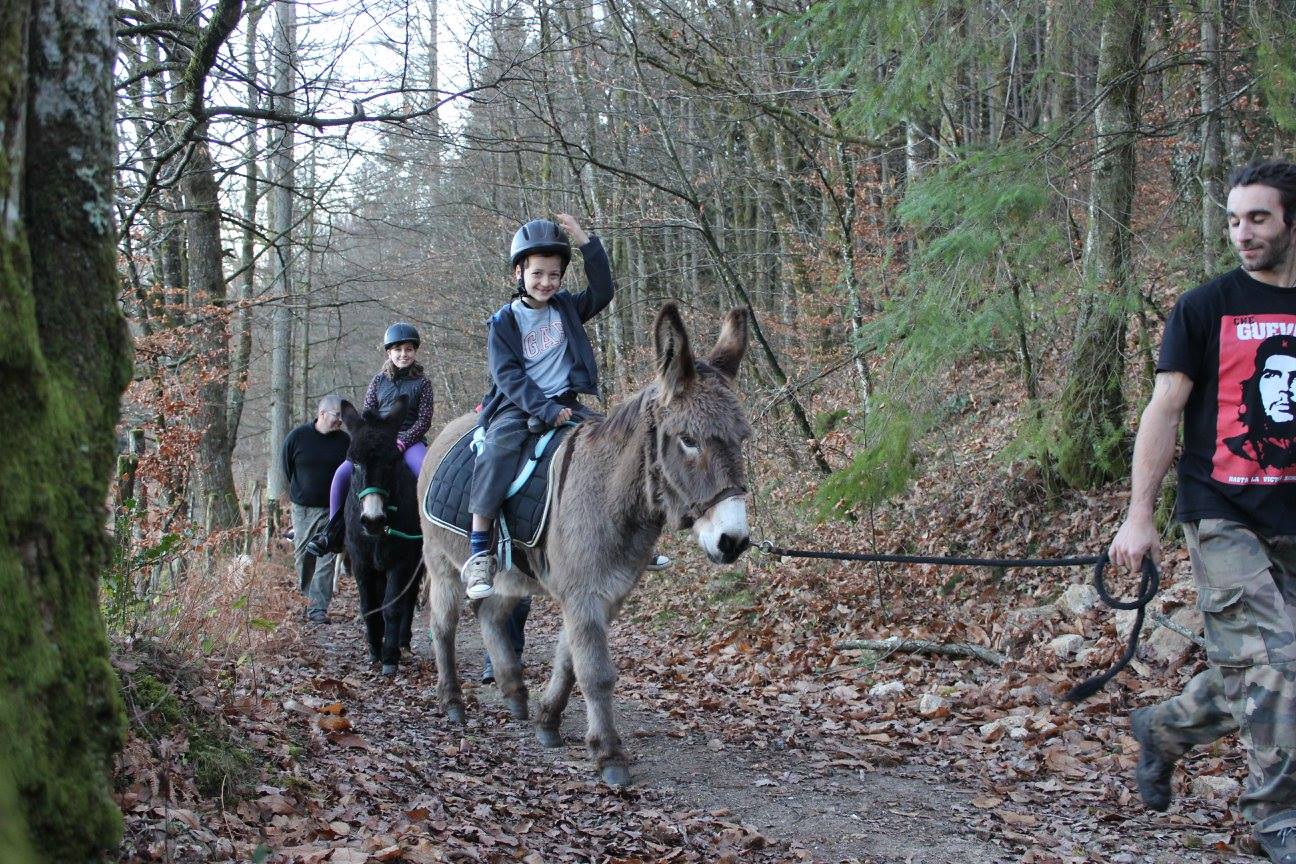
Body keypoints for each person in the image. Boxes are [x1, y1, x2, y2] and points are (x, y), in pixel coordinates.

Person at [1110, 161, 1296, 863]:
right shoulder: (1204, 307)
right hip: (1221, 511)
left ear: (1292, 223)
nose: (1242, 234)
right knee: (1279, 663)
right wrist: (1139, 514)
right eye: (1233, 220)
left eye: (1258, 218)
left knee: (1261, 670)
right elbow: (1165, 410)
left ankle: (1164, 728)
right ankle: (1278, 817)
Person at [460, 214, 613, 600]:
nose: (546, 282)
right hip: (516, 407)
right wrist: (543, 410)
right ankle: (480, 551)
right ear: (519, 272)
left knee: (616, 442)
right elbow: (508, 378)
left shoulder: (567, 309)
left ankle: (622, 533)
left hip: (565, 403)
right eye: (538, 274)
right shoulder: (504, 322)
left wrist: (586, 243)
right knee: (496, 453)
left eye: (555, 275)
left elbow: (604, 291)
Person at [305, 323, 435, 556]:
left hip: (409, 441)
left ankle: (434, 531)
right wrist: (377, 440)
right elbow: (368, 414)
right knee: (342, 474)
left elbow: (424, 420)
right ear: (389, 353)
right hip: (378, 442)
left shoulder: (423, 384)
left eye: (408, 350)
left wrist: (403, 441)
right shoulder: (378, 381)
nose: (403, 355)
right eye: (398, 350)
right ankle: (332, 531)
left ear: (415, 352)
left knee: (426, 473)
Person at [283, 395, 351, 623]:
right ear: (322, 414)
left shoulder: (345, 442)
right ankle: (306, 599)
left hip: (334, 511)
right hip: (303, 509)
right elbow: (287, 469)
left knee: (327, 558)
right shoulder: (297, 438)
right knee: (304, 556)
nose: (340, 421)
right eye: (337, 416)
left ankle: (318, 610)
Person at [1224, 333, 1296, 469]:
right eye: (1273, 375)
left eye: (1295, 377)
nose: (1285, 388)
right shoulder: (1236, 451)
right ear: (1256, 385)